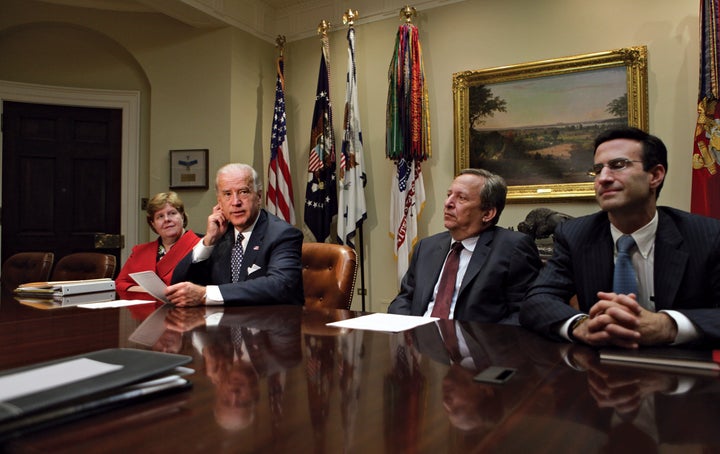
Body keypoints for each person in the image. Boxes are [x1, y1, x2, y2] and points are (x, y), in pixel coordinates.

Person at [520, 127, 720, 348]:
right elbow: (537, 300)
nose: (603, 178)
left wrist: (668, 325)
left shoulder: (707, 235)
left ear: (655, 175)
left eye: (618, 165)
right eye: (597, 170)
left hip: (684, 368)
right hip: (600, 366)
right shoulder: (575, 234)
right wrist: (582, 325)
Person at [388, 168, 542, 323]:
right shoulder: (427, 247)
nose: (448, 203)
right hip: (419, 340)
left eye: (461, 198)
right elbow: (404, 299)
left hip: (475, 343)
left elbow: (523, 313)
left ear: (488, 213)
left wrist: (482, 345)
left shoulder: (513, 248)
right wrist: (409, 333)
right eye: (449, 195)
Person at [167, 163, 303, 306]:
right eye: (227, 194)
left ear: (259, 197)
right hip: (224, 323)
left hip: (270, 323)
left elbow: (280, 286)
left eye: (243, 192)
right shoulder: (220, 233)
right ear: (219, 202)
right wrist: (208, 241)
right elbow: (178, 283)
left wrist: (205, 294)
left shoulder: (282, 234)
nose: (235, 202)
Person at [115, 191, 201, 293]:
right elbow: (119, 284)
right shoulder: (140, 251)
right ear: (153, 223)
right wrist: (152, 291)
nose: (166, 219)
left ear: (182, 216)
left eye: (172, 213)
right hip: (145, 308)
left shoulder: (201, 246)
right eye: (160, 216)